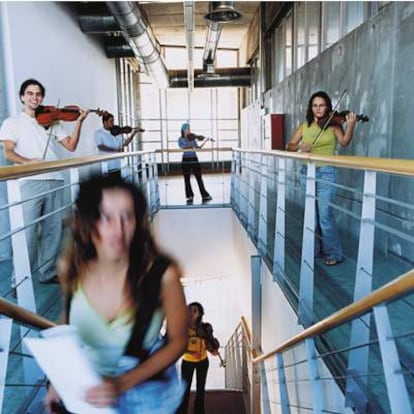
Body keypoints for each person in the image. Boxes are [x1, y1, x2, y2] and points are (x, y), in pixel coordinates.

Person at [44, 174, 188, 413]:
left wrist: (122, 383)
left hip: (147, 398)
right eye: (105, 217)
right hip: (90, 395)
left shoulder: (163, 275)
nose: (118, 229)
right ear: (88, 222)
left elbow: (178, 342)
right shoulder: (71, 269)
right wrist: (58, 381)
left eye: (127, 217)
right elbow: (68, 323)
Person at [0, 78, 90, 283]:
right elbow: (9, 153)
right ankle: (19, 279)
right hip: (30, 181)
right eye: (30, 93)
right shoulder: (12, 123)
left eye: (38, 94)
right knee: (28, 232)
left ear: (42, 98)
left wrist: (79, 122)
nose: (34, 97)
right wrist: (29, 162)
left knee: (53, 230)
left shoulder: (53, 121)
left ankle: (47, 272)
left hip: (55, 178)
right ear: (22, 97)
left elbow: (71, 146)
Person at [285, 90, 357, 266]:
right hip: (306, 173)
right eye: (315, 105)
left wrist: (351, 125)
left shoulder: (334, 125)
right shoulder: (304, 126)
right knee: (312, 215)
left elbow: (345, 143)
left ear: (327, 107)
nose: (318, 109)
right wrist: (301, 147)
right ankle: (314, 249)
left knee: (325, 216)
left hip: (326, 172)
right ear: (311, 107)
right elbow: (289, 146)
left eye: (322, 105)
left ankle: (334, 253)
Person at [177, 302, 220, 414]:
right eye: (190, 310)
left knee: (200, 390)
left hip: (203, 362)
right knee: (185, 391)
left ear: (200, 313)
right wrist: (191, 353)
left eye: (195, 311)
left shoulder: (205, 328)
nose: (191, 313)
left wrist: (213, 351)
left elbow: (209, 344)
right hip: (187, 362)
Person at [95, 112, 145, 177]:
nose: (113, 123)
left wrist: (134, 133)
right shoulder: (99, 133)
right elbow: (100, 147)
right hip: (106, 167)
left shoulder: (117, 132)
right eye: (111, 121)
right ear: (105, 122)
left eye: (113, 121)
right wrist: (114, 150)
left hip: (118, 165)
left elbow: (125, 143)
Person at [178, 123, 212, 204]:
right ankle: (189, 195)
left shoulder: (192, 138)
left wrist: (202, 143)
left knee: (199, 177)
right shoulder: (180, 139)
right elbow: (183, 147)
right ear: (183, 130)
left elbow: (196, 147)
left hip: (194, 158)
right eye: (186, 129)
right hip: (185, 159)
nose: (188, 131)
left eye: (189, 129)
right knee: (187, 179)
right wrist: (191, 144)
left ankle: (204, 195)